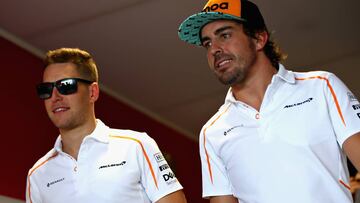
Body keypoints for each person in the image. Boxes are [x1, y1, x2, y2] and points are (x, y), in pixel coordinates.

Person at [178, 0, 360, 202]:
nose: (214, 49)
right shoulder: (212, 132)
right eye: (207, 43)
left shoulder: (322, 87)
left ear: (259, 38)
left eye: (225, 35)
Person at [26, 48, 187, 203]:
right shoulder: (37, 175)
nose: (55, 97)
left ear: (92, 92)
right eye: (46, 89)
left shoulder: (136, 146)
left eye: (66, 85)